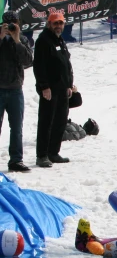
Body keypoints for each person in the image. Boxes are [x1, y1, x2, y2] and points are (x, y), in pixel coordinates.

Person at [33, 12, 73, 168]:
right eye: (55, 23)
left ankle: (53, 152)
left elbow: (66, 64)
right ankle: (42, 155)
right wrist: (44, 86)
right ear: (49, 24)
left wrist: (70, 84)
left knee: (60, 122)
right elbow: (39, 66)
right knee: (46, 122)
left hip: (63, 88)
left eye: (60, 23)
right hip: (49, 88)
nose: (58, 26)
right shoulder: (43, 40)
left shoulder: (60, 39)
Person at [0, 10, 33, 172]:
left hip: (15, 90)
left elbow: (28, 61)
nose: (12, 26)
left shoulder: (23, 39)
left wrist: (17, 40)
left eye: (15, 22)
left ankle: (16, 160)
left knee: (17, 127)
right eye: (8, 23)